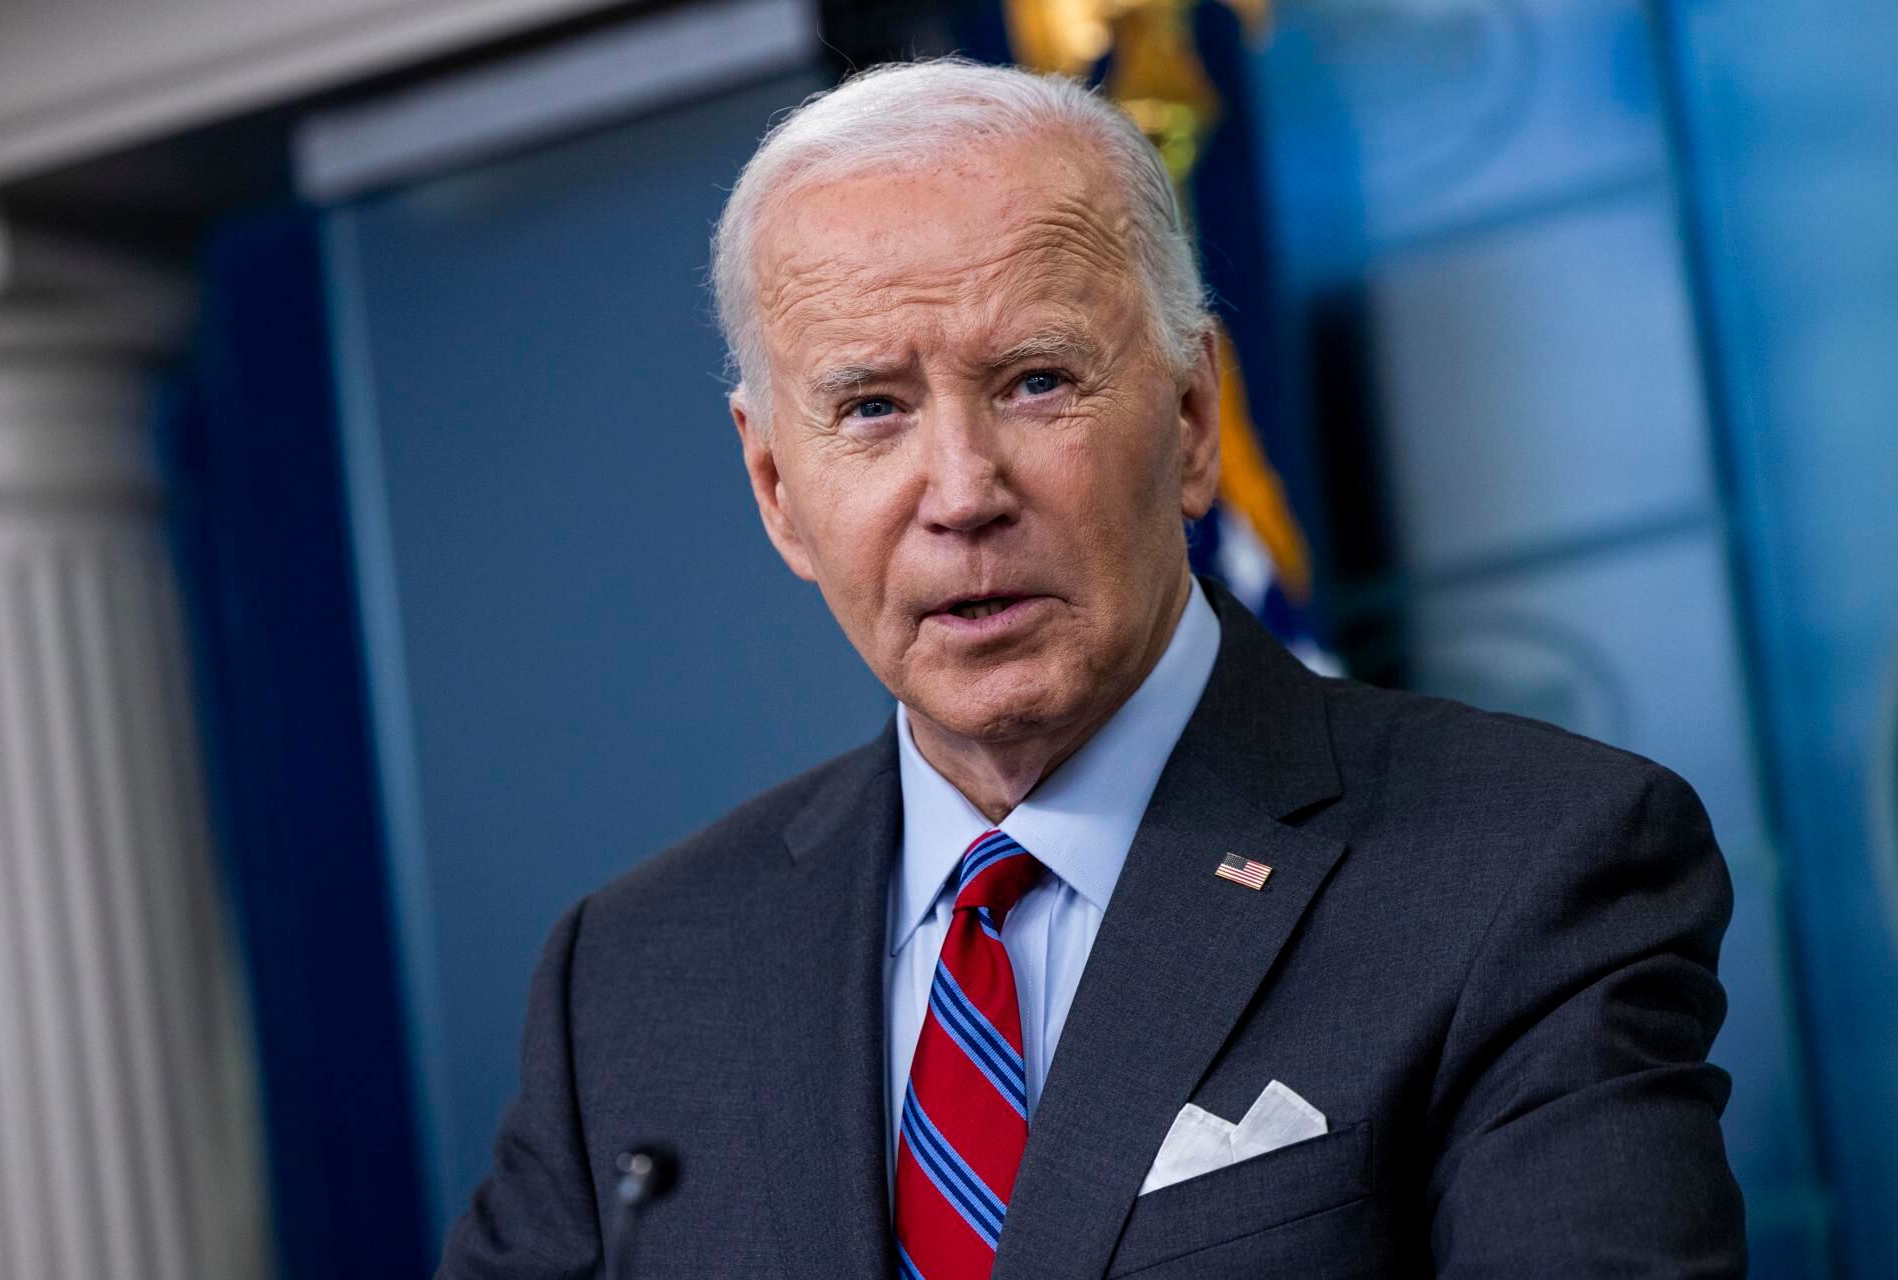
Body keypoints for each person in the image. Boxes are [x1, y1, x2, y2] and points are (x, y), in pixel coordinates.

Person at [437, 58, 1745, 1278]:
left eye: (1036, 382)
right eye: (873, 409)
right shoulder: (632, 979)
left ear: (1190, 422)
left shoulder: (1532, 867)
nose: (961, 492)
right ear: (776, 485)